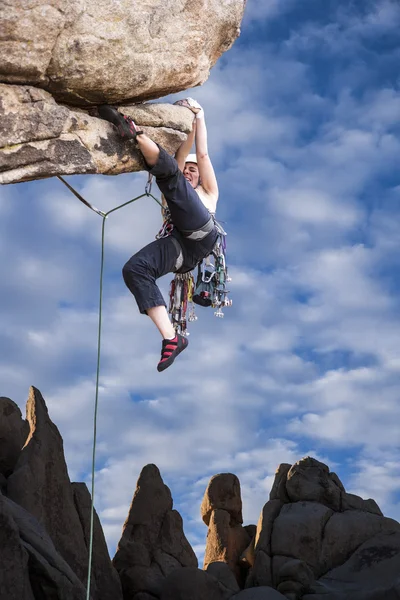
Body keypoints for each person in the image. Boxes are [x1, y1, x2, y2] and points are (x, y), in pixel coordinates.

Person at [98, 98, 219, 372]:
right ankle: (172, 338)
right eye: (186, 169)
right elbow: (178, 159)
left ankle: (136, 133)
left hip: (202, 233)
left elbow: (201, 155)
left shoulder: (208, 192)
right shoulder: (174, 185)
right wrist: (186, 134)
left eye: (193, 171)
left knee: (174, 182)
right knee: (135, 269)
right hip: (181, 251)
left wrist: (199, 116)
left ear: (200, 177)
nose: (189, 172)